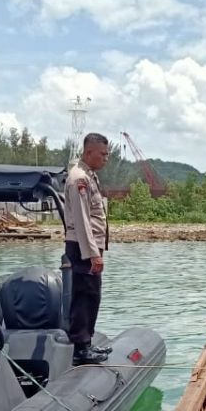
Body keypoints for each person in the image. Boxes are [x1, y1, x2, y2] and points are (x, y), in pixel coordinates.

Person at [64, 132, 113, 365]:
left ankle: (86, 343)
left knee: (92, 293)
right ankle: (81, 348)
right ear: (89, 152)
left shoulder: (89, 176)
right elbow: (83, 221)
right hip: (83, 246)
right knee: (85, 294)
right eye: (102, 154)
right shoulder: (79, 178)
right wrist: (93, 253)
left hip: (89, 246)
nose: (106, 158)